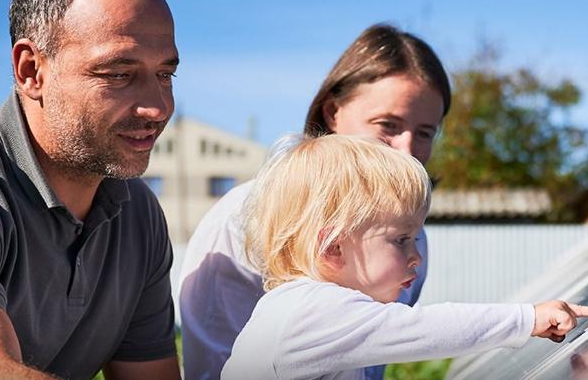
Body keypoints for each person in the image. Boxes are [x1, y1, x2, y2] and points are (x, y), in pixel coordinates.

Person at [0, 0, 181, 380]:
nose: (157, 106)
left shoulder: (138, 216)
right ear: (31, 71)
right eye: (119, 74)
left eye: (165, 74)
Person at [179, 24, 451, 380]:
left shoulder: (410, 241)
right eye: (388, 124)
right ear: (332, 113)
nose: (407, 149)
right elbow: (214, 364)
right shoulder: (247, 218)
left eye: (425, 133)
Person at [221, 134, 588, 380]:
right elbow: (428, 328)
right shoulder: (312, 311)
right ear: (332, 247)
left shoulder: (301, 309)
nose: (416, 257)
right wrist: (527, 318)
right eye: (401, 240)